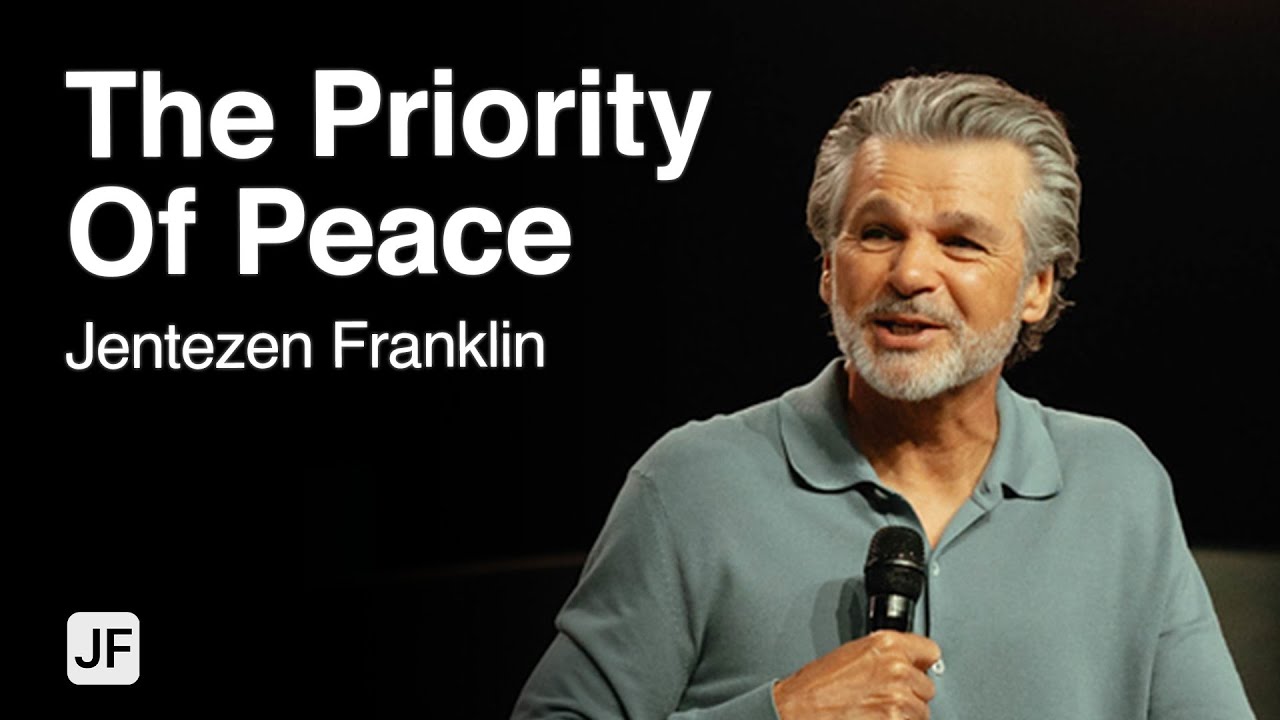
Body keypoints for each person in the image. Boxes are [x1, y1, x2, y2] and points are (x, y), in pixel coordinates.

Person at [511, 73, 1254, 719]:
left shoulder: (1118, 483)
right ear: (827, 270)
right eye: (877, 233)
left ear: (1036, 286)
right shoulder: (693, 484)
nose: (909, 273)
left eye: (960, 242)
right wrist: (780, 714)